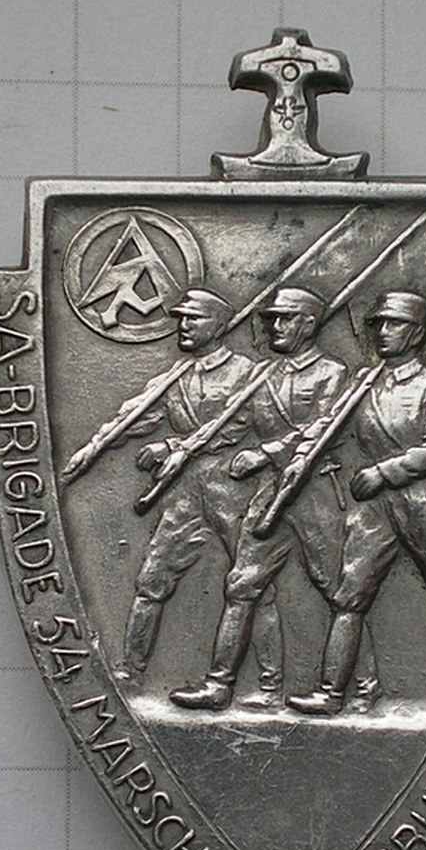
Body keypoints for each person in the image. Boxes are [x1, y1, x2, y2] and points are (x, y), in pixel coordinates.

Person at [170, 285, 379, 711]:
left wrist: (266, 452)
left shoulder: (332, 373)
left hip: (315, 491)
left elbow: (327, 428)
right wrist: (180, 447)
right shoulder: (264, 374)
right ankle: (219, 685)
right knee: (241, 584)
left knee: (338, 590)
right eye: (271, 319)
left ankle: (365, 685)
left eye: (285, 318)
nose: (275, 326)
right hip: (271, 492)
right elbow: (231, 425)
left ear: (309, 323)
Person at [288, 290, 426, 716]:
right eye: (378, 323)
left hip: (421, 502)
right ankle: (331, 692)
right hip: (374, 510)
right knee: (348, 597)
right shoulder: (365, 382)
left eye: (394, 323)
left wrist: (383, 472)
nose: (382, 331)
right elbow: (330, 427)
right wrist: (302, 457)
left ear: (416, 333)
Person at [116, 287, 282, 693]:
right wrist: (111, 437)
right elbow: (139, 416)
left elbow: (242, 426)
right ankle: (130, 671)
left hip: (235, 487)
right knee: (151, 578)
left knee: (252, 585)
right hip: (184, 490)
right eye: (181, 318)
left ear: (220, 325)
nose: (184, 325)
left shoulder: (248, 372)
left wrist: (174, 445)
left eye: (194, 318)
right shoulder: (176, 376)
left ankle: (269, 682)